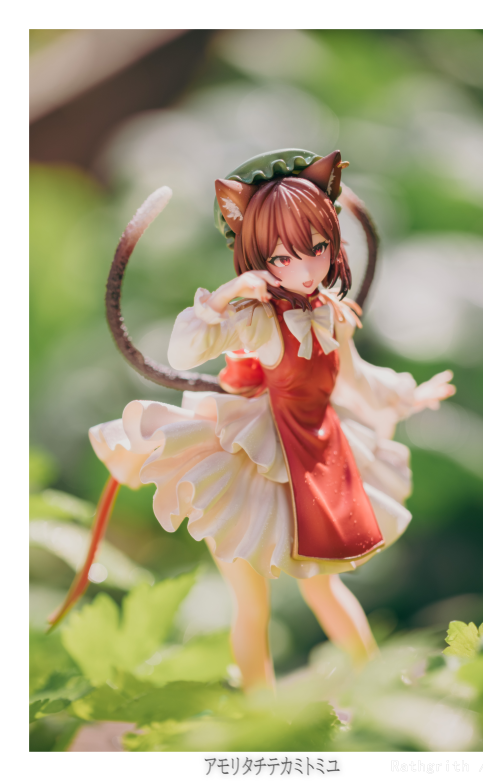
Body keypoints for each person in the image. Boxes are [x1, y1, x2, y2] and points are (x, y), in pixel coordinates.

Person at [50, 150, 455, 691]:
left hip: (320, 454)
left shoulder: (331, 314)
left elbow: (356, 376)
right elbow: (185, 350)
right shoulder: (258, 320)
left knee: (324, 586)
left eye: (318, 248)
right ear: (258, 258)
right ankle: (259, 707)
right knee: (251, 600)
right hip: (249, 459)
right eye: (283, 257)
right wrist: (227, 295)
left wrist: (409, 393)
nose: (306, 270)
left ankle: (378, 685)